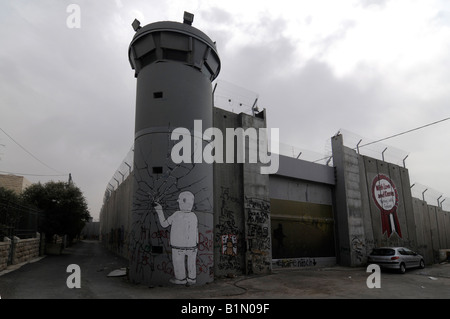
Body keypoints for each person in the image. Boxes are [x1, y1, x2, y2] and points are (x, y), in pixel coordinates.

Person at [154, 191, 198, 285]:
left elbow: (164, 224)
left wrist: (159, 211)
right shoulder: (194, 216)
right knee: (191, 263)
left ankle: (180, 279)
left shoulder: (177, 214)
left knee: (179, 263)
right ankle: (192, 278)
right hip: (193, 246)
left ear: (182, 201)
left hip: (178, 246)